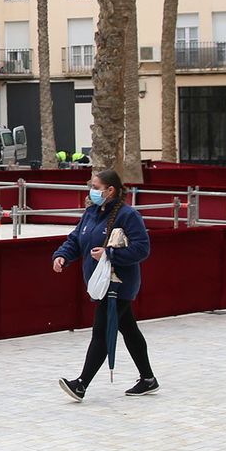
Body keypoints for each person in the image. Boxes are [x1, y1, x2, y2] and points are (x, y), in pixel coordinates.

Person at [51, 168, 157, 400]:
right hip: (100, 283)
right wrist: (62, 256)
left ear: (110, 190)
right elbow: (76, 239)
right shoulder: (91, 213)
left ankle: (81, 384)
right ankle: (148, 379)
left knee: (101, 331)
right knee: (128, 328)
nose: (92, 191)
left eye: (96, 187)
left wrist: (109, 254)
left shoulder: (128, 216)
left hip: (118, 285)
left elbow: (142, 249)